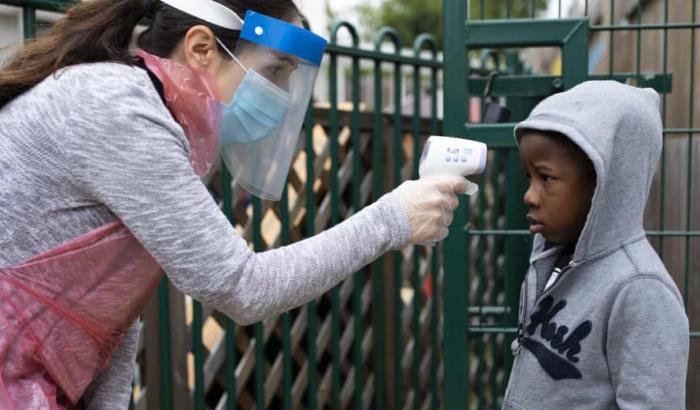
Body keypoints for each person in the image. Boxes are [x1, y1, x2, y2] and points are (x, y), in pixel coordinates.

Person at [0, 0, 473, 408]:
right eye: (274, 72)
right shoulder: (118, 111)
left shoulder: (152, 113)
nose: (283, 96)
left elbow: (114, 311)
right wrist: (393, 219)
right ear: (202, 48)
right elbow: (240, 287)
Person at [503, 81, 689, 409]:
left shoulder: (641, 290)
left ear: (605, 184)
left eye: (546, 178)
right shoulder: (560, 263)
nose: (529, 196)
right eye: (528, 177)